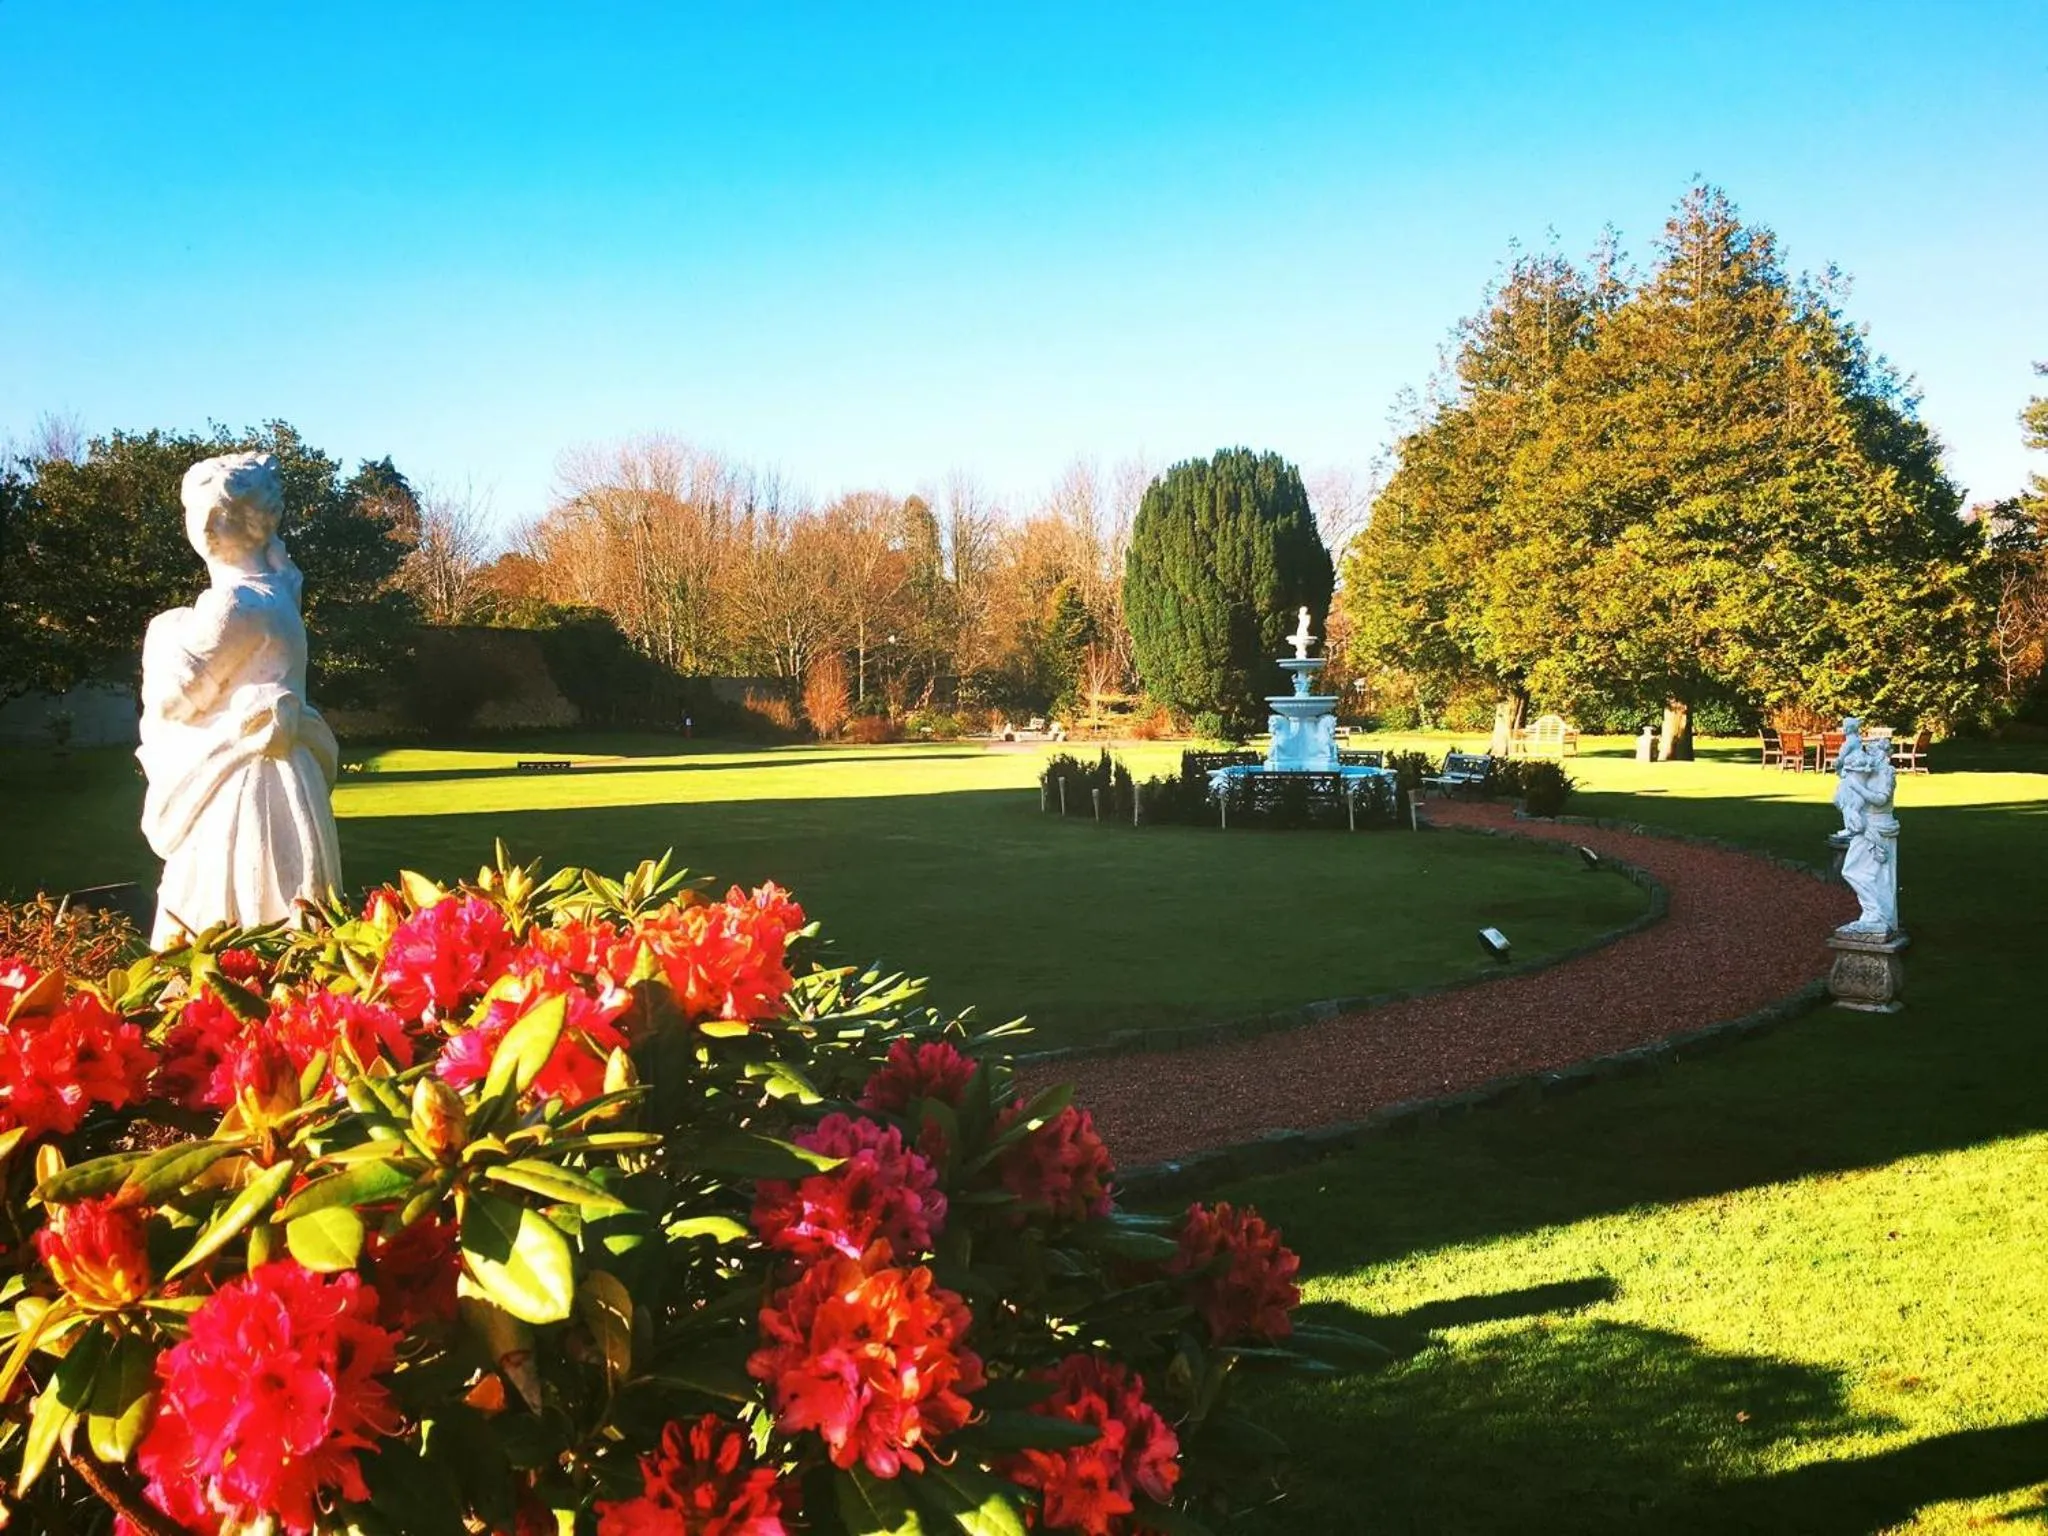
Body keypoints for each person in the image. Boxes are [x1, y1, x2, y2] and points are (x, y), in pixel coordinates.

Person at [137, 453, 342, 946]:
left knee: (226, 921)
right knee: (287, 930)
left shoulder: (235, 606)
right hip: (284, 780)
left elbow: (172, 702)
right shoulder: (276, 595)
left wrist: (163, 629)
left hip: (241, 790)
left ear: (211, 523)